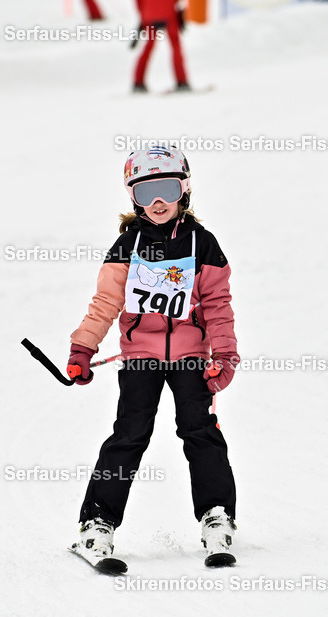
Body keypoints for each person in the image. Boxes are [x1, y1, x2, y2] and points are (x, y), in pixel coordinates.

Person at [67, 145, 239, 568]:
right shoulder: (128, 244)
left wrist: (225, 354)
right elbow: (106, 302)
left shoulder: (204, 244)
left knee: (200, 432)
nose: (158, 202)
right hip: (140, 357)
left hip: (191, 358)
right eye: (146, 193)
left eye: (166, 189)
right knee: (129, 435)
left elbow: (217, 303)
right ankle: (97, 524)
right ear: (133, 199)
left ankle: (216, 515)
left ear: (184, 189)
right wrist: (83, 348)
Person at [132, 0, 190, 92]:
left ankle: (138, 82)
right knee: (175, 46)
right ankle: (182, 81)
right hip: (168, 13)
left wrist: (143, 16)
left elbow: (138, 2)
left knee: (148, 47)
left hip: (149, 14)